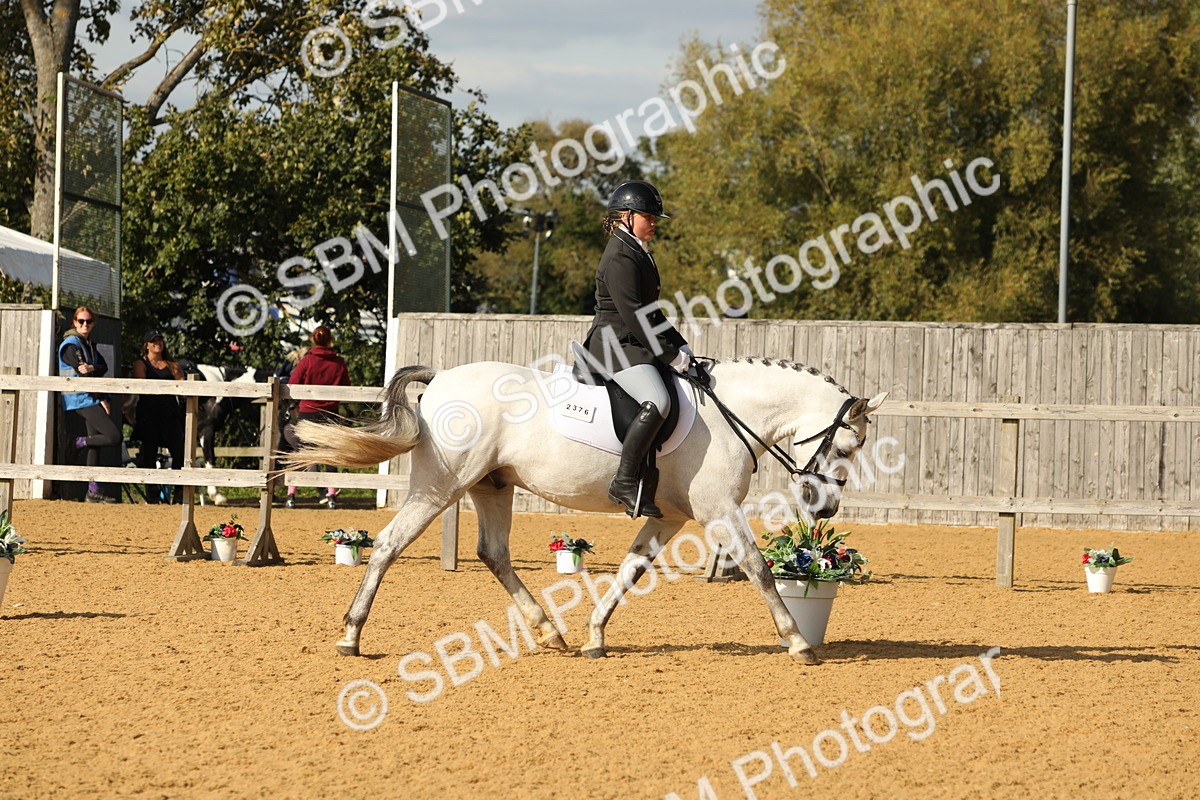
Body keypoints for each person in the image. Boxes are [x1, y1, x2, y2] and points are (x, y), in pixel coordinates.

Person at [581, 180, 691, 518]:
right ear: (626, 216)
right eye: (649, 216)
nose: (654, 222)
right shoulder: (620, 256)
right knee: (658, 400)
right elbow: (634, 317)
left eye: (655, 217)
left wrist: (680, 344)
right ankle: (625, 481)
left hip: (632, 343)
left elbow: (651, 312)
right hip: (614, 346)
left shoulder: (637, 251)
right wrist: (670, 355)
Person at [57, 305, 120, 503]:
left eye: (89, 321)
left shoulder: (88, 344)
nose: (85, 324)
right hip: (80, 398)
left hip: (89, 396)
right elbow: (82, 372)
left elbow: (102, 367)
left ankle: (93, 491)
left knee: (95, 445)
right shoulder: (71, 344)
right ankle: (78, 442)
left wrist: (92, 368)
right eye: (81, 321)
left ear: (93, 324)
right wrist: (101, 397)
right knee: (114, 436)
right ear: (74, 322)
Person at [283, 326, 350, 508]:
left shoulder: (307, 361)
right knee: (330, 454)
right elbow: (347, 387)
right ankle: (331, 496)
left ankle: (291, 495)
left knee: (301, 450)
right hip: (330, 414)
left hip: (308, 414)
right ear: (330, 340)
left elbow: (293, 383)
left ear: (313, 339)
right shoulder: (339, 363)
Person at [130, 330, 186, 503]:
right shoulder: (141, 364)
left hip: (170, 414)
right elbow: (143, 386)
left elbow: (183, 385)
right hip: (149, 415)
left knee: (180, 452)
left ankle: (179, 492)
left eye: (160, 339)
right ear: (147, 345)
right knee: (150, 454)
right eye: (153, 340)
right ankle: (152, 493)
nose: (157, 343)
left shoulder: (172, 365)